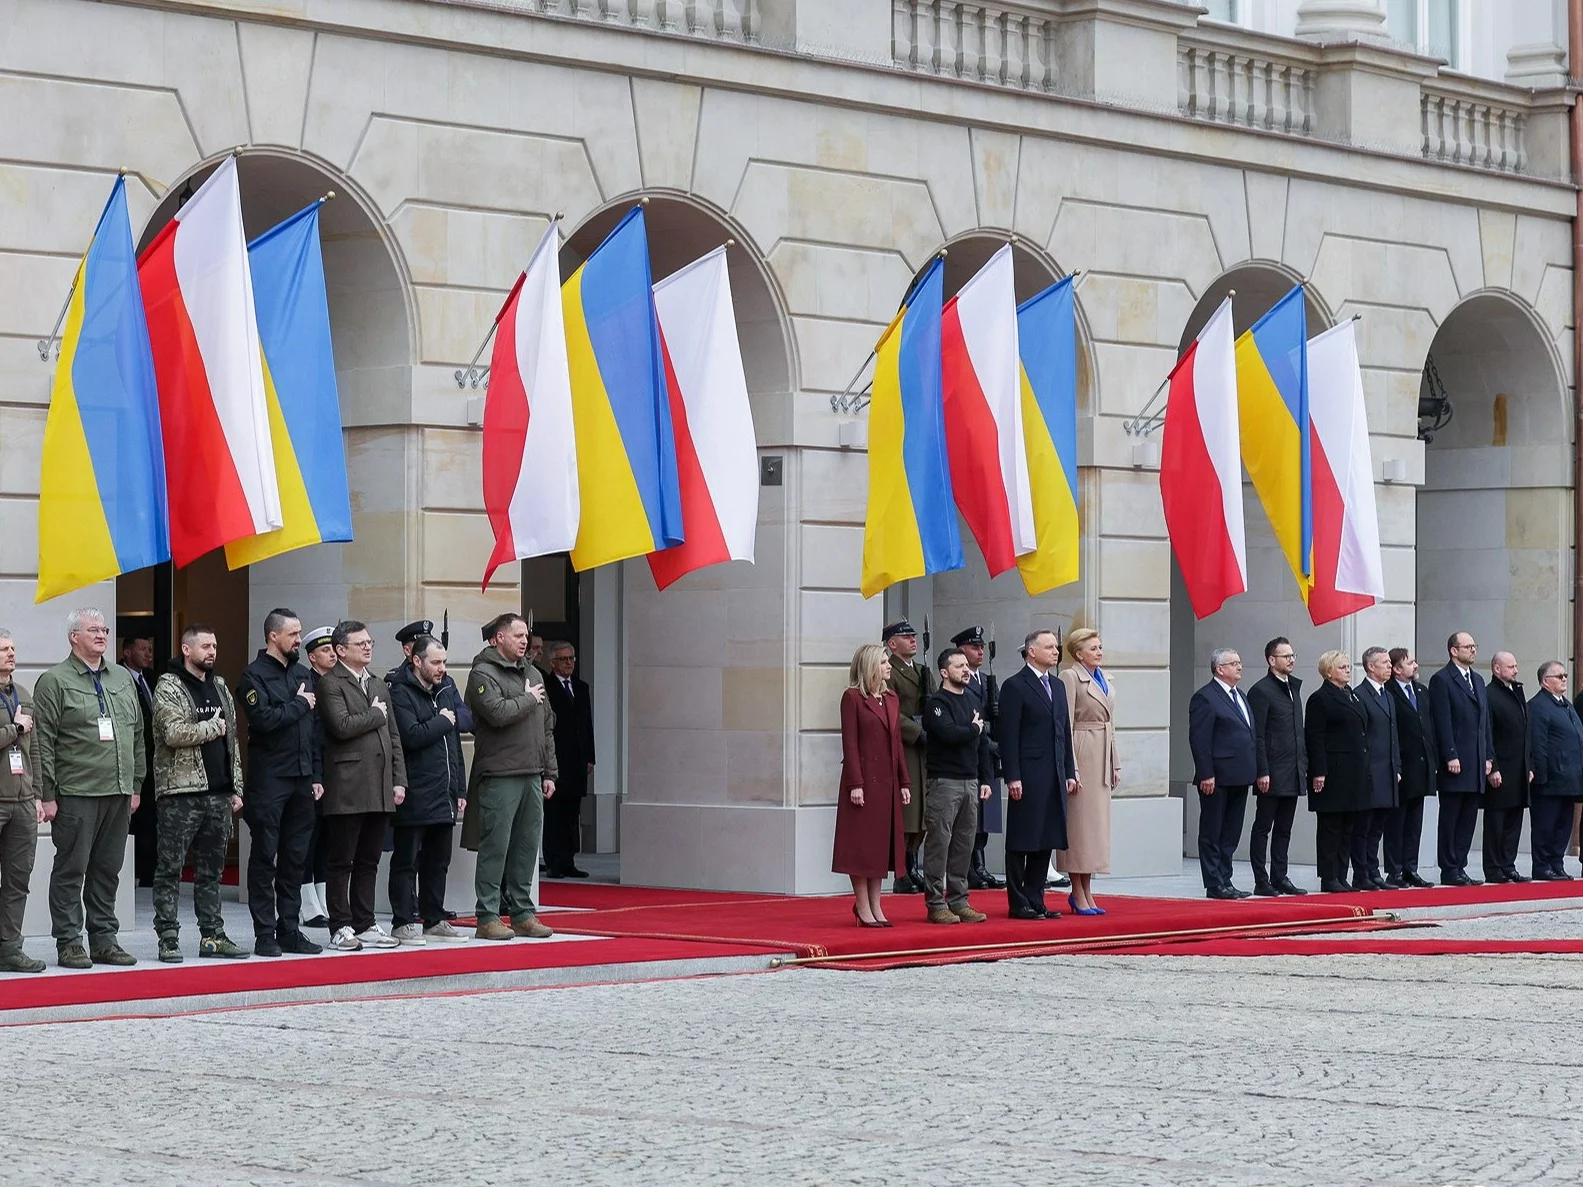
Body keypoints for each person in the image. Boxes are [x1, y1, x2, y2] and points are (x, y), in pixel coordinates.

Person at [34, 607, 144, 968]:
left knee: (108, 870)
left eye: (105, 629)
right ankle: (69, 942)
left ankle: (104, 939)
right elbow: (43, 741)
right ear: (74, 637)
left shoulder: (122, 679)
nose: (101, 635)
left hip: (117, 791)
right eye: (92, 630)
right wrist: (47, 794)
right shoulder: (55, 680)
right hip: (76, 792)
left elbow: (137, 735)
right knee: (71, 870)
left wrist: (136, 783)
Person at [150, 625, 248, 962]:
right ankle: (168, 937)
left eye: (215, 645)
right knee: (170, 869)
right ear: (186, 649)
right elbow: (172, 732)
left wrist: (236, 786)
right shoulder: (168, 686)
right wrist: (212, 727)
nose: (212, 651)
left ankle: (213, 936)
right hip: (181, 791)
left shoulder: (219, 685)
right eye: (205, 645)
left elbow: (231, 740)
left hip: (218, 793)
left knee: (212, 872)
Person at [462, 613, 557, 941]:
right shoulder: (481, 674)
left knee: (526, 847)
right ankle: (487, 915)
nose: (524, 641)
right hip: (500, 773)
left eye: (525, 635)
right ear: (497, 638)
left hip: (531, 772)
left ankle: (523, 913)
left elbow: (546, 727)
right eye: (517, 635)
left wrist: (550, 772)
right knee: (496, 846)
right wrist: (529, 698)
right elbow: (497, 713)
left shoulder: (532, 672)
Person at [236, 609, 323, 956]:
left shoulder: (304, 673)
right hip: (270, 779)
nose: (299, 640)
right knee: (265, 857)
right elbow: (264, 719)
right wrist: (299, 704)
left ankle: (290, 928)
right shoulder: (253, 676)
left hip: (302, 779)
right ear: (273, 636)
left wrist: (316, 774)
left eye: (300, 633)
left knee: (295, 859)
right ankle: (264, 933)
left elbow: (314, 732)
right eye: (293, 634)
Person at [317, 620, 407, 951]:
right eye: (360, 643)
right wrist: (373, 714)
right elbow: (341, 726)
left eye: (369, 642)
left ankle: (365, 921)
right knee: (342, 859)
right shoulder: (330, 683)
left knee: (370, 859)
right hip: (347, 784)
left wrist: (399, 779)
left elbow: (394, 736)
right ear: (341, 650)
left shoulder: (380, 685)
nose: (368, 647)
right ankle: (339, 925)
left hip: (381, 782)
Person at [387, 635, 468, 944]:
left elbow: (455, 745)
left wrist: (460, 788)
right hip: (415, 790)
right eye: (436, 662)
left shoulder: (446, 689)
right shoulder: (400, 691)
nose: (442, 668)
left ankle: (434, 918)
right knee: (407, 860)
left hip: (444, 791)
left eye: (444, 662)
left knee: (438, 861)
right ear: (416, 661)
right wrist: (443, 721)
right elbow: (410, 736)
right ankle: (403, 920)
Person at [998, 629, 1075, 920]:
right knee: (1022, 838)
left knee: (1046, 838)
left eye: (1056, 648)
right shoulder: (1015, 686)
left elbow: (1063, 732)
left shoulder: (1056, 685)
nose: (1056, 652)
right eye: (1050, 647)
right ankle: (1018, 902)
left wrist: (1069, 770)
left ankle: (1036, 898)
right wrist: (1012, 776)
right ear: (1032, 651)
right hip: (1028, 774)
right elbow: (1009, 735)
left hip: (1053, 772)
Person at [833, 643, 910, 926]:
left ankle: (877, 906)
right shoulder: (852, 698)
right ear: (870, 667)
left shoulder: (890, 698)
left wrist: (904, 781)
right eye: (884, 662)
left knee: (880, 847)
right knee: (861, 848)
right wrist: (855, 783)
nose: (889, 666)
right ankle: (862, 906)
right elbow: (850, 744)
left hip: (887, 784)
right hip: (863, 783)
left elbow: (897, 743)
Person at [921, 647, 992, 925]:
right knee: (940, 842)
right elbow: (949, 734)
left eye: (966, 665)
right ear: (944, 672)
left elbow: (982, 743)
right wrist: (973, 729)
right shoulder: (936, 702)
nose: (965, 669)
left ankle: (959, 900)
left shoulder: (973, 701)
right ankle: (936, 902)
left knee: (964, 843)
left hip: (970, 781)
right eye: (958, 665)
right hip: (944, 781)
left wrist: (986, 778)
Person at [1057, 628, 1119, 915]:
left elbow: (1112, 725)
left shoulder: (1104, 678)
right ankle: (1077, 891)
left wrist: (1115, 763)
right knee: (1080, 827)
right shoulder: (1070, 676)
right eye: (1093, 648)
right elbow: (1065, 724)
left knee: (1095, 829)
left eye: (1100, 646)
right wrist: (1072, 768)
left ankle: (1088, 889)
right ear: (1078, 653)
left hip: (1102, 753)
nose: (1099, 651)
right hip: (1082, 750)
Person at [1188, 648, 1258, 900]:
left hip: (1240, 774)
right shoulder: (1205, 698)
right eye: (1234, 663)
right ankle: (1214, 882)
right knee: (1212, 830)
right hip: (1216, 777)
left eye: (1240, 662)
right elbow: (1200, 739)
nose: (1240, 667)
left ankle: (1225, 878)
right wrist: (1206, 773)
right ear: (1220, 669)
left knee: (1231, 831)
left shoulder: (1240, 695)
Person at [1428, 631, 1493, 886]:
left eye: (1474, 646)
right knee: (1451, 816)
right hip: (1456, 762)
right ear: (1454, 651)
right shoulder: (1442, 680)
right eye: (1467, 647)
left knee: (1468, 817)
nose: (1473, 650)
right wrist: (1449, 754)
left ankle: (1461, 866)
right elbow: (1442, 721)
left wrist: (1489, 756)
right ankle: (1449, 867)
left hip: (1477, 761)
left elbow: (1484, 722)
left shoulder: (1477, 680)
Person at [1305, 650, 1370, 893]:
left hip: (1354, 773)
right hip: (1333, 773)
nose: (1347, 670)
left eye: (1347, 666)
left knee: (1348, 827)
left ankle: (1342, 875)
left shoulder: (1351, 695)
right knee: (1331, 828)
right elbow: (1315, 737)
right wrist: (1319, 771)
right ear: (1328, 671)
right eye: (1342, 667)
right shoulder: (1320, 698)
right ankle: (1329, 876)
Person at [1247, 637, 1306, 896]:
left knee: (1285, 828)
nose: (1291, 660)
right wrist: (1262, 770)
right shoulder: (1261, 690)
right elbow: (1257, 735)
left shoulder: (1294, 688)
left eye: (1293, 655)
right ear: (1272, 661)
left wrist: (1303, 766)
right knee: (1263, 826)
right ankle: (1262, 879)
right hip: (1271, 772)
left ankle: (1280, 876)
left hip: (1292, 770)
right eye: (1286, 656)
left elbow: (1297, 733)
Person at [0, 630, 43, 973]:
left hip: (24, 801)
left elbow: (37, 750)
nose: (11, 654)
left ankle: (10, 948)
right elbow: (18, 734)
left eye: (13, 648)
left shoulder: (24, 694)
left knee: (18, 880)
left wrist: (39, 794)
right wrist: (13, 729)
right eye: (3, 649)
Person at [953, 626, 1004, 891]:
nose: (980, 651)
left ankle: (980, 865)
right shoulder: (961, 680)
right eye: (975, 647)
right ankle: (972, 867)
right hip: (972, 751)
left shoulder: (986, 680)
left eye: (982, 647)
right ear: (962, 650)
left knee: (987, 815)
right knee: (971, 817)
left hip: (988, 755)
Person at [882, 620, 931, 895]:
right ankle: (902, 871)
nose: (913, 640)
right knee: (908, 809)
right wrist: (918, 731)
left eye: (913, 636)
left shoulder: (923, 671)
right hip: (907, 745)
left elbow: (935, 701)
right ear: (892, 643)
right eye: (906, 636)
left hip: (923, 747)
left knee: (922, 809)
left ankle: (912, 867)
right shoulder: (891, 673)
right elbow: (891, 711)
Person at [1384, 648, 1437, 888]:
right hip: (1401, 766)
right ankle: (1394, 870)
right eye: (1410, 662)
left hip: (1422, 766)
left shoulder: (1421, 691)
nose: (1415, 666)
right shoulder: (1389, 692)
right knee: (1397, 822)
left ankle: (1410, 868)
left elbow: (1430, 728)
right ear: (1396, 668)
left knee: (1415, 822)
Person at [297, 625, 338, 929]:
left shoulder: (338, 684)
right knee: (307, 840)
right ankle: (307, 904)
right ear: (312, 656)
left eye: (335, 648)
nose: (333, 654)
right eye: (326, 650)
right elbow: (310, 736)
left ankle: (323, 900)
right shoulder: (307, 684)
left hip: (337, 773)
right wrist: (314, 775)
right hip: (314, 771)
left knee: (327, 840)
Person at [544, 641, 595, 879]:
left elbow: (587, 725)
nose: (569, 663)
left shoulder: (581, 687)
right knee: (554, 812)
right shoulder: (546, 686)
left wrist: (590, 757)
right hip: (556, 758)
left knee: (572, 812)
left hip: (577, 760)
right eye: (563, 659)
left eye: (572, 658)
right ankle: (554, 860)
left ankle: (569, 860)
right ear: (552, 662)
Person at [1528, 662, 1583, 880]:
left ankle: (1556, 863)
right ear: (1545, 681)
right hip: (1550, 779)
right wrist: (1541, 775)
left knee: (1562, 827)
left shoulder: (1566, 704)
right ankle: (1542, 865)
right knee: (1546, 825)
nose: (1563, 679)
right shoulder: (1538, 705)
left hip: (1570, 778)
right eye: (1559, 675)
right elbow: (1538, 743)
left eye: (1565, 675)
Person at [1353, 647, 1401, 890]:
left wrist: (1397, 766)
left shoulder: (1388, 695)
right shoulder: (1360, 695)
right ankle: (1362, 873)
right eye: (1384, 663)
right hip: (1369, 771)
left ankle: (1374, 870)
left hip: (1388, 771)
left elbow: (1393, 736)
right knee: (1364, 826)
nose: (1389, 667)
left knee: (1379, 826)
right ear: (1371, 667)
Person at [1483, 651, 1530, 884]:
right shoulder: (1489, 694)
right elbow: (1488, 733)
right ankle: (1493, 868)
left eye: (1516, 665)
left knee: (1514, 819)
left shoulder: (1517, 690)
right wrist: (1493, 767)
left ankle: (1508, 865)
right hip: (1500, 767)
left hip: (1519, 766)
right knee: (1496, 821)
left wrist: (1528, 764)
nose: (1516, 670)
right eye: (1510, 666)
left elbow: (1525, 730)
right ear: (1497, 669)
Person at [121, 631, 157, 887]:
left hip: (153, 761)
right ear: (127, 652)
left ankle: (148, 870)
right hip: (131, 759)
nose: (148, 654)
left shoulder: (152, 679)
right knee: (134, 815)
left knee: (151, 817)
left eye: (149, 649)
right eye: (143, 648)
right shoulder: (120, 679)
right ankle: (132, 871)